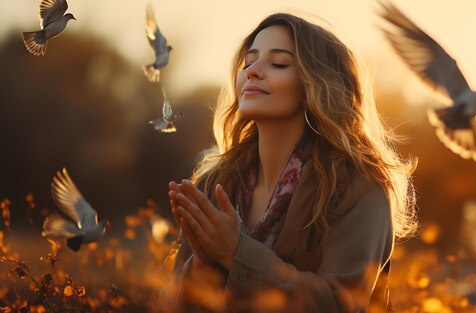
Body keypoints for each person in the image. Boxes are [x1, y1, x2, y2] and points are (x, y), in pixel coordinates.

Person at [158, 12, 418, 313]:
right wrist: (203, 264)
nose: (253, 71)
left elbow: (338, 304)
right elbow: (171, 303)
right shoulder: (214, 181)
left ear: (316, 85)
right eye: (249, 62)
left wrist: (235, 252)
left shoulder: (358, 188)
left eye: (278, 63)